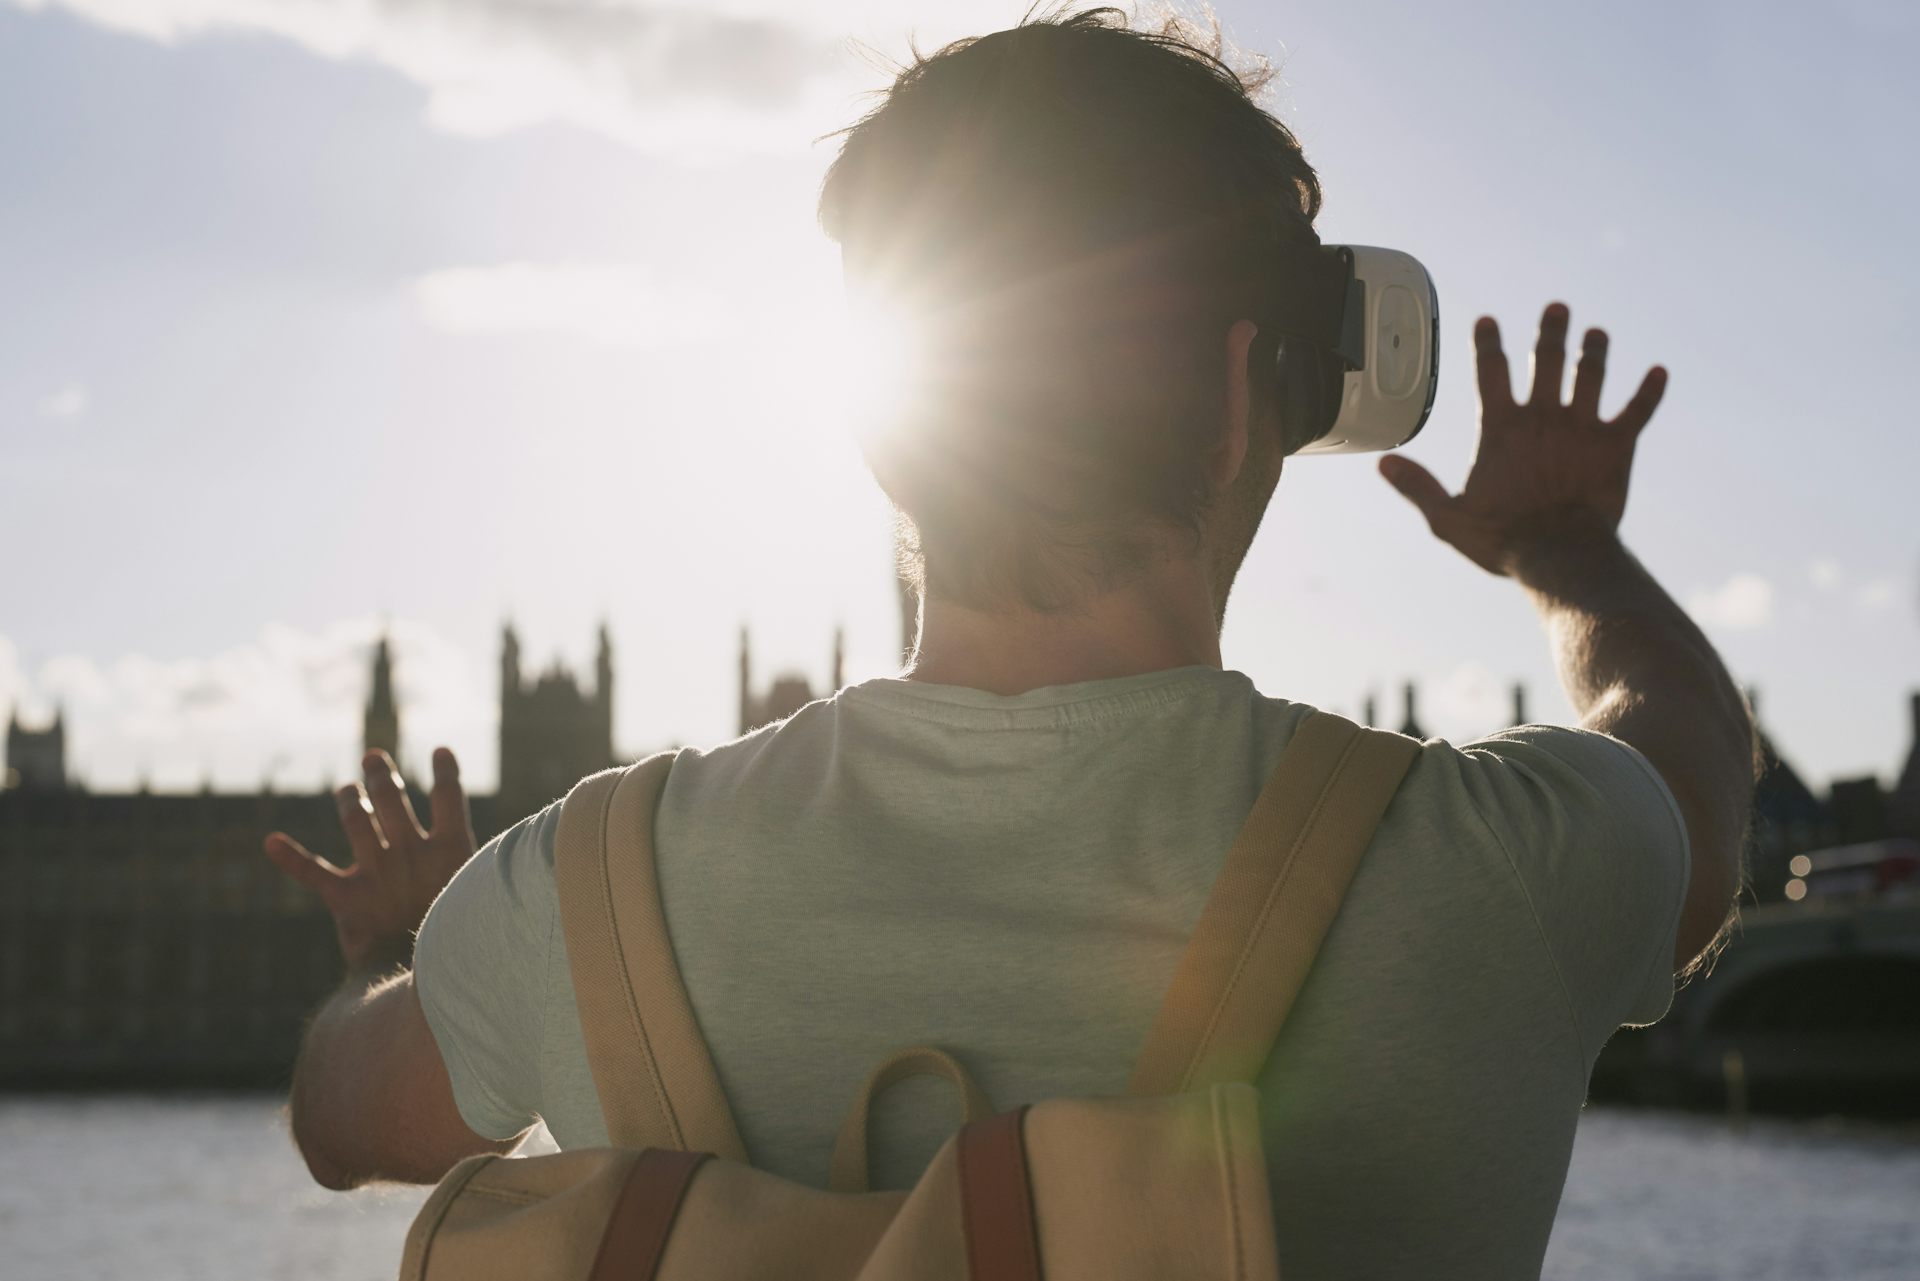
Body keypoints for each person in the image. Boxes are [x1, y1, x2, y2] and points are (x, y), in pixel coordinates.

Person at [263, 11, 1757, 1278]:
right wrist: (1566, 549)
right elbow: (1692, 765)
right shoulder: (1498, 863)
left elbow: (341, 1108)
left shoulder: (576, 892)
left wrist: (402, 946)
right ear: (1250, 400)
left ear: (884, 425)